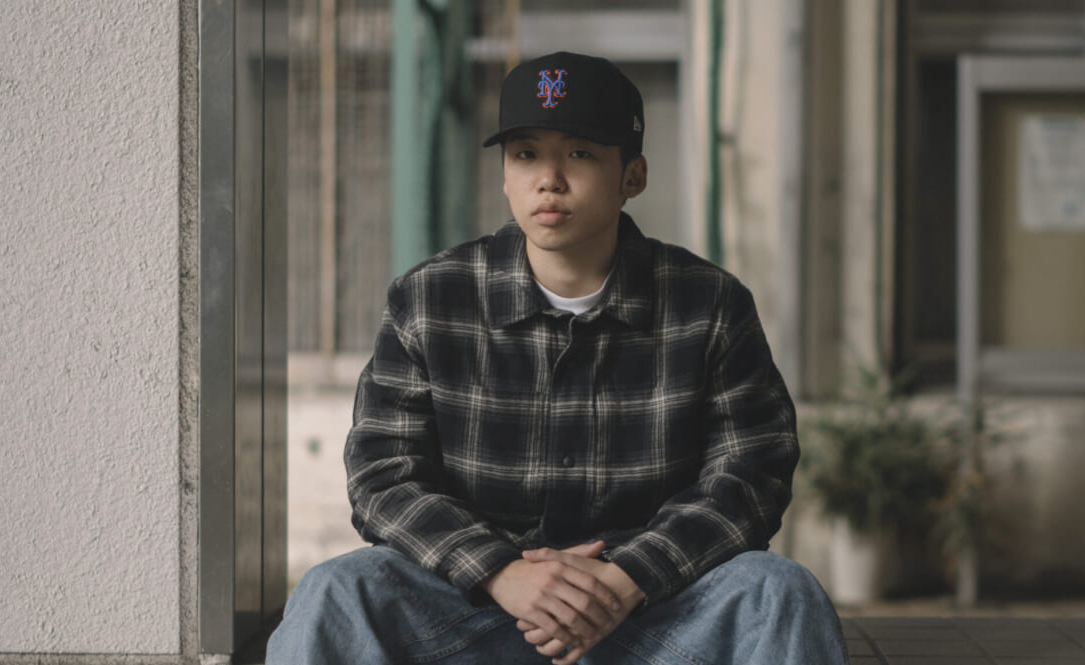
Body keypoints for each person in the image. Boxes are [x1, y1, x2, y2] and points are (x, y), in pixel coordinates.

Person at [267, 51, 848, 665]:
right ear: (504, 175)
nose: (549, 179)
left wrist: (628, 577)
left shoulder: (710, 304)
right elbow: (384, 475)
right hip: (476, 612)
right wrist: (502, 573)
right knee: (335, 592)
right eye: (525, 155)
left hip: (650, 613)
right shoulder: (431, 298)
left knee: (779, 593)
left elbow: (752, 474)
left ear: (633, 176)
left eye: (580, 153)